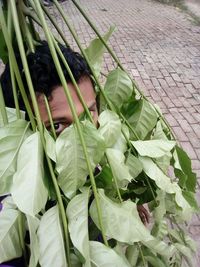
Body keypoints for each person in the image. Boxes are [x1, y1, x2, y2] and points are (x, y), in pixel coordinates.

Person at [0, 41, 149, 265]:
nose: (82, 138)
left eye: (89, 114)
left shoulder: (92, 146)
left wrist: (123, 206)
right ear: (22, 130)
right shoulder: (14, 206)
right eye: (58, 126)